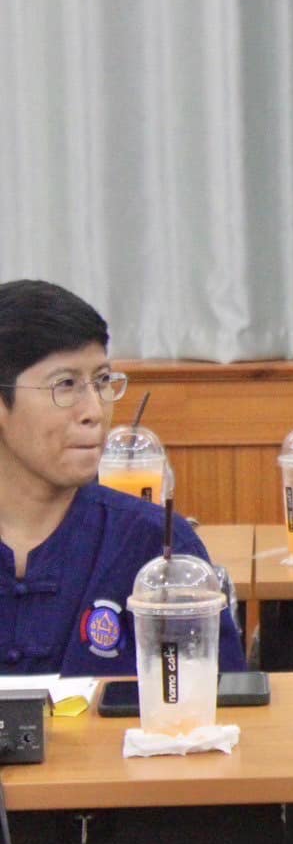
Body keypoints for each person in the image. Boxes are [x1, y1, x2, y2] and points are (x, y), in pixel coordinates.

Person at [0, 279, 245, 676]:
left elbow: (223, 703)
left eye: (101, 382)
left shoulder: (155, 543)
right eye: (65, 385)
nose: (94, 411)